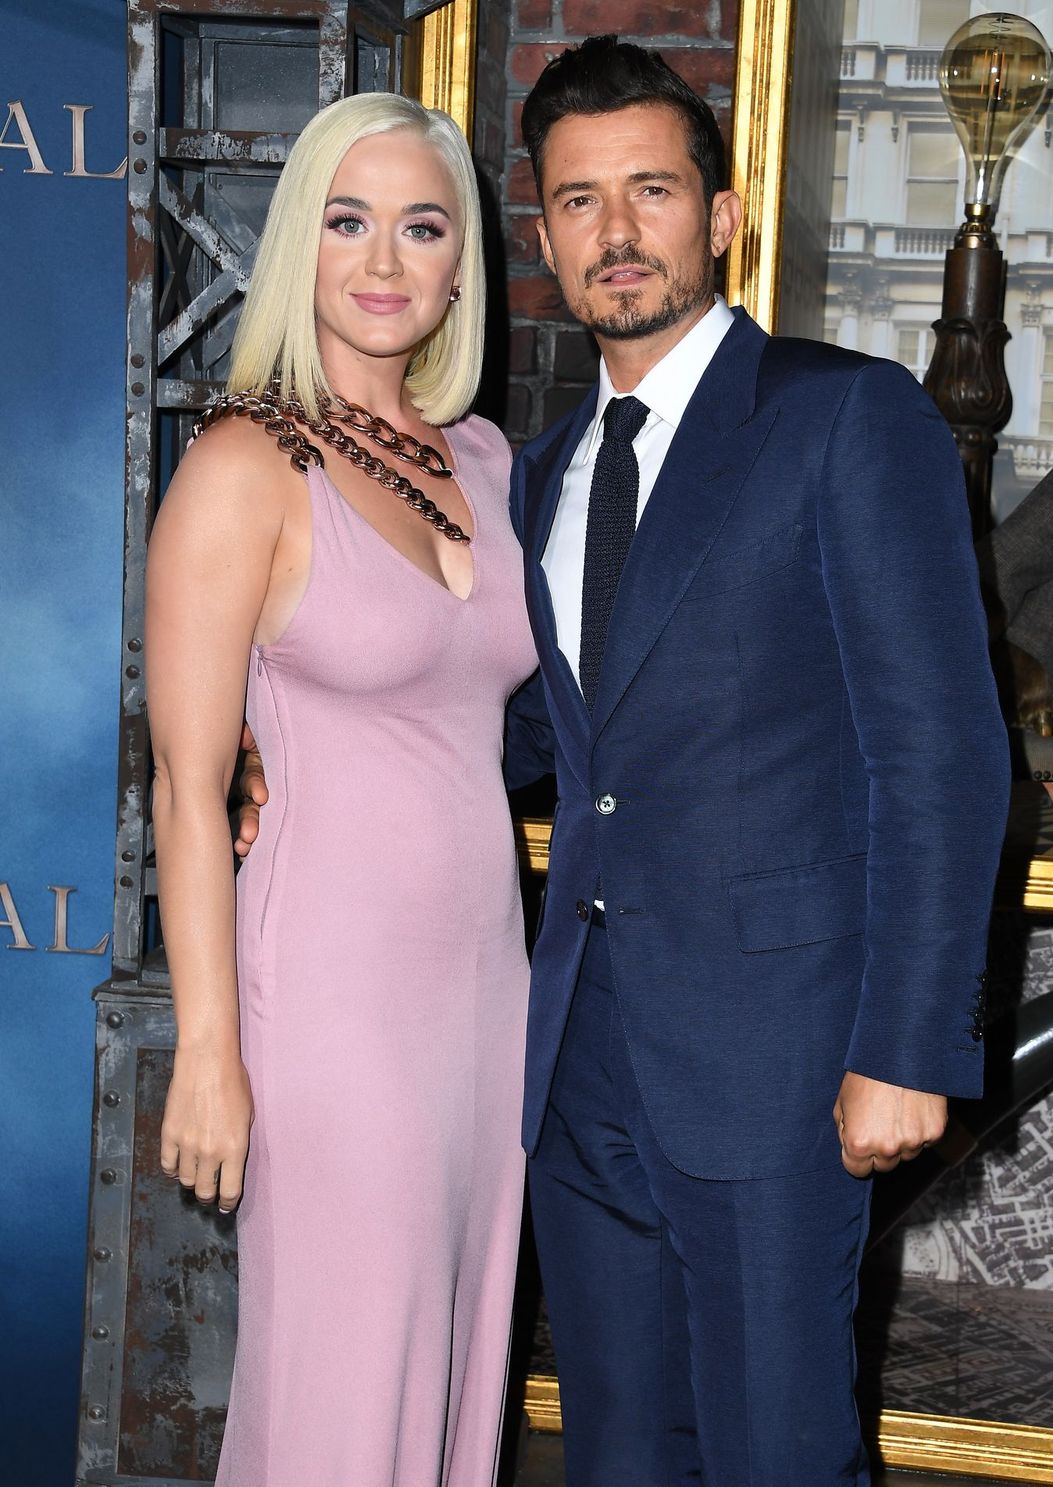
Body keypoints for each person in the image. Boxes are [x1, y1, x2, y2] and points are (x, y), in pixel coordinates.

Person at [499, 37, 1010, 1486]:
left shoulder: (845, 417)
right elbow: (551, 733)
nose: (617, 232)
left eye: (651, 191)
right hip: (584, 1051)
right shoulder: (546, 470)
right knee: (611, 1451)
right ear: (544, 235)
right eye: (581, 201)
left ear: (720, 217)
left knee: (779, 1452)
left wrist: (906, 1047)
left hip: (781, 1056)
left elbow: (942, 751)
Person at [145, 92, 536, 1487]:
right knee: (343, 1385)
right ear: (300, 244)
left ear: (457, 265)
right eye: (348, 221)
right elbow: (191, 791)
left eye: (421, 227)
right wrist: (207, 1051)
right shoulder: (241, 469)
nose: (383, 259)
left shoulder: (484, 463)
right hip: (326, 1000)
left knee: (450, 1369)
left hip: (490, 997)